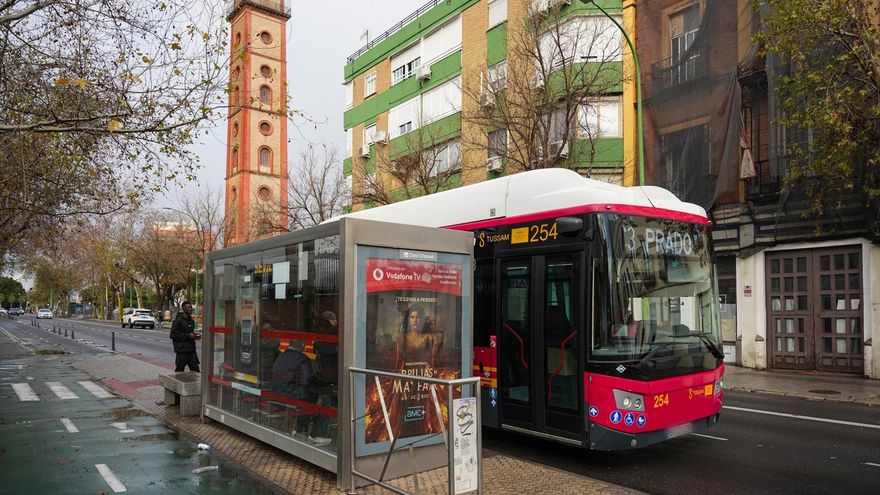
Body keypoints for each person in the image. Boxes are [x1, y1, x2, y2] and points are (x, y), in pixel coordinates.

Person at [271, 340, 330, 446]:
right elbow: (307, 381)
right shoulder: (302, 358)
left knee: (309, 396)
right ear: (302, 346)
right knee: (324, 400)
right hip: (290, 396)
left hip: (277, 395)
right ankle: (317, 435)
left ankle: (299, 429)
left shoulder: (281, 355)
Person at [169, 301, 200, 372]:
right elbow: (173, 335)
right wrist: (188, 335)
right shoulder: (178, 321)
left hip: (191, 351)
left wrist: (195, 336)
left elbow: (190, 333)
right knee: (179, 372)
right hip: (182, 352)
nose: (191, 309)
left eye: (191, 307)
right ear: (183, 309)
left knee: (196, 372)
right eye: (188, 307)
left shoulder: (191, 321)